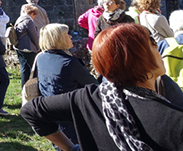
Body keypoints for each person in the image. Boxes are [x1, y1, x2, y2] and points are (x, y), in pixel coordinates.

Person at [21, 23, 183, 151]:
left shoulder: (88, 99)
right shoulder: (172, 119)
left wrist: (71, 148)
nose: (158, 48)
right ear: (139, 58)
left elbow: (31, 110)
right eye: (153, 43)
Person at [34, 24, 97, 145]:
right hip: (71, 114)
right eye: (66, 35)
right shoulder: (69, 63)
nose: (70, 36)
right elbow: (92, 85)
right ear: (59, 39)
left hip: (50, 110)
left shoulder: (41, 58)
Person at [14, 4, 40, 88]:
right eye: (34, 15)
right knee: (32, 69)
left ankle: (24, 88)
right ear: (32, 13)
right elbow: (34, 36)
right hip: (28, 48)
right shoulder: (29, 21)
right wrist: (38, 47)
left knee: (23, 68)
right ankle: (31, 88)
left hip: (19, 47)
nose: (34, 17)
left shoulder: (19, 19)